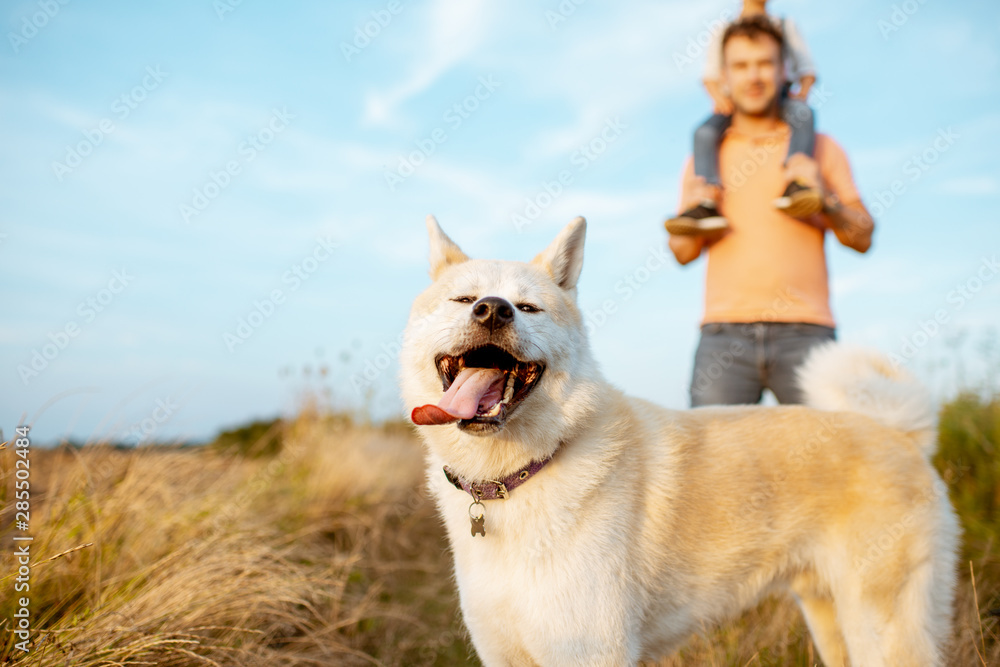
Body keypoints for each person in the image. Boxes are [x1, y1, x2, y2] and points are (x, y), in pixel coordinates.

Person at [666, 14, 875, 407]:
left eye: (764, 63)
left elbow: (863, 237)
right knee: (715, 465)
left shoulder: (822, 149)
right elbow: (681, 254)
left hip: (808, 335)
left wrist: (824, 198)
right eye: (741, 66)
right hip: (723, 337)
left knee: (828, 462)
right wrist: (695, 211)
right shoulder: (703, 157)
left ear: (784, 70)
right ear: (723, 76)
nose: (754, 75)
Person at [666, 1, 820, 234]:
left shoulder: (785, 25)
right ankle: (705, 201)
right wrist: (719, 98)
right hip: (733, 103)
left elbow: (807, 69)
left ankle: (798, 182)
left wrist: (802, 95)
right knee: (703, 133)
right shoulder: (722, 29)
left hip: (780, 97)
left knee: (804, 115)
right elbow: (709, 74)